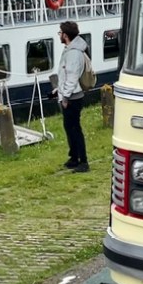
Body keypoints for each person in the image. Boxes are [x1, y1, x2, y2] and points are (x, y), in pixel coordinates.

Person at [53, 20, 89, 172]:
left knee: (74, 129)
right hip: (70, 94)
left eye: (60, 33)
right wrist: (59, 90)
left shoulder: (73, 53)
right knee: (70, 128)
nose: (59, 35)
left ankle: (83, 161)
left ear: (66, 35)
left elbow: (72, 77)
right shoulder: (71, 49)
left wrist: (65, 96)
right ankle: (74, 157)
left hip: (73, 97)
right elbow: (66, 75)